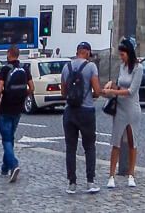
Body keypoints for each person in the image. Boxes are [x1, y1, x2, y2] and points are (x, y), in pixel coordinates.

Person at [61, 40, 102, 194]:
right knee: (89, 147)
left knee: (70, 148)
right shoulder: (91, 67)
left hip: (69, 111)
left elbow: (63, 92)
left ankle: (72, 183)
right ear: (87, 53)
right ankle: (90, 182)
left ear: (77, 51)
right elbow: (97, 91)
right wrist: (89, 95)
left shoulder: (67, 67)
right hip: (86, 111)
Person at [103, 37, 142, 189]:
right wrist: (112, 84)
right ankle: (111, 175)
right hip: (120, 108)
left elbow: (131, 91)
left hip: (132, 108)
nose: (121, 57)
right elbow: (120, 84)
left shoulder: (138, 68)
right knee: (116, 142)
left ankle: (131, 174)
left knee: (132, 142)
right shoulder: (122, 66)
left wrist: (112, 91)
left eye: (123, 54)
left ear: (129, 53)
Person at [0, 45, 33, 183]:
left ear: (8, 54)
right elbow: (32, 88)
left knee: (6, 139)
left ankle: (14, 164)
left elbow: (0, 89)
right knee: (10, 137)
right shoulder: (24, 68)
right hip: (18, 109)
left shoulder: (5, 69)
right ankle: (5, 167)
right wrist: (23, 96)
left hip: (5, 108)